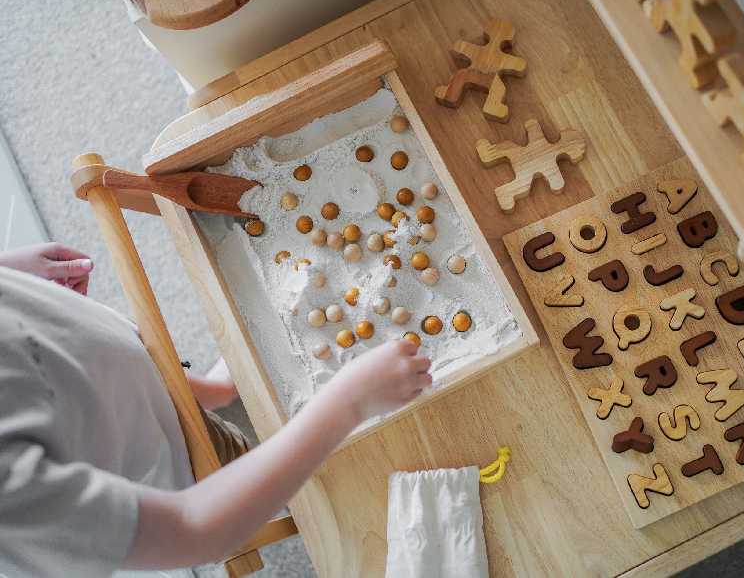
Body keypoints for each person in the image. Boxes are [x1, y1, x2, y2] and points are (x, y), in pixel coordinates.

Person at [0, 242, 432, 577]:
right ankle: (226, 412)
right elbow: (191, 526)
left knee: (148, 382)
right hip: (182, 465)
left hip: (102, 373)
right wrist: (348, 403)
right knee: (239, 453)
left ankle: (218, 390)